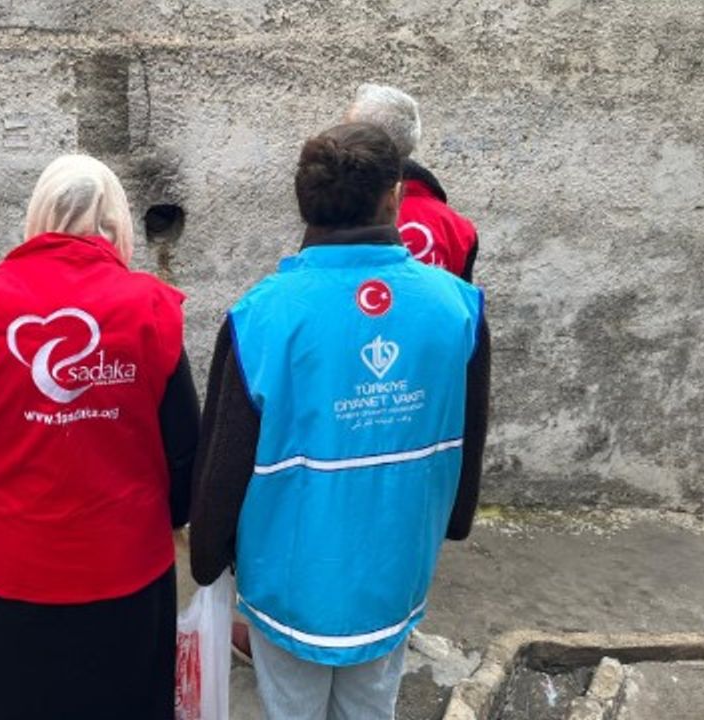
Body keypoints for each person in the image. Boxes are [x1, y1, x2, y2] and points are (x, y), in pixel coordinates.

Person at [189, 123, 490, 720]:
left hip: (288, 579)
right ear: (394, 197)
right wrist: (455, 521)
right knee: (372, 704)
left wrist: (208, 555)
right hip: (397, 569)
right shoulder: (457, 306)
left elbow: (224, 459)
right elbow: (469, 432)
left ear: (304, 201)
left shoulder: (262, 315)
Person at [0, 154, 200, 720]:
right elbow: (185, 448)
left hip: (11, 567)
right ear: (117, 222)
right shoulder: (149, 307)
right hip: (127, 564)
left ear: (38, 214)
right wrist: (172, 516)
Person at [345, 83, 480, 281]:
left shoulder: (338, 215)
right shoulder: (458, 229)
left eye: (347, 129)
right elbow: (463, 299)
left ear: (363, 142)